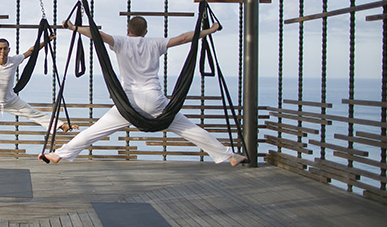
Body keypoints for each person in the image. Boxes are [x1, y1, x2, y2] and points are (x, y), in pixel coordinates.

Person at [40, 15, 247, 166]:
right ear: (145, 32)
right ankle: (229, 155)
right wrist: (210, 30)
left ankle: (60, 154)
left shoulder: (121, 41)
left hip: (129, 103)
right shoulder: (155, 43)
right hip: (155, 99)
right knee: (191, 130)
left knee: (95, 131)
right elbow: (185, 38)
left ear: (128, 30)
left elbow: (98, 35)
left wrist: (74, 27)